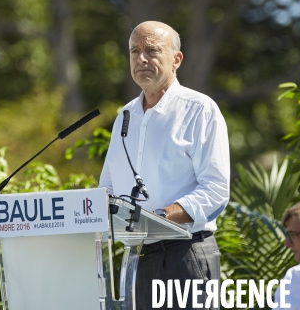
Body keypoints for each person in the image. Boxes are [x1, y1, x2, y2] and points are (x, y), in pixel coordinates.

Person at [98, 21, 230, 310]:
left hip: (186, 254)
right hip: (137, 259)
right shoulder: (126, 116)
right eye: (134, 51)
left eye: (152, 50)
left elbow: (216, 190)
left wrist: (159, 216)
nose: (141, 59)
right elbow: (107, 186)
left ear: (176, 59)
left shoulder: (200, 109)